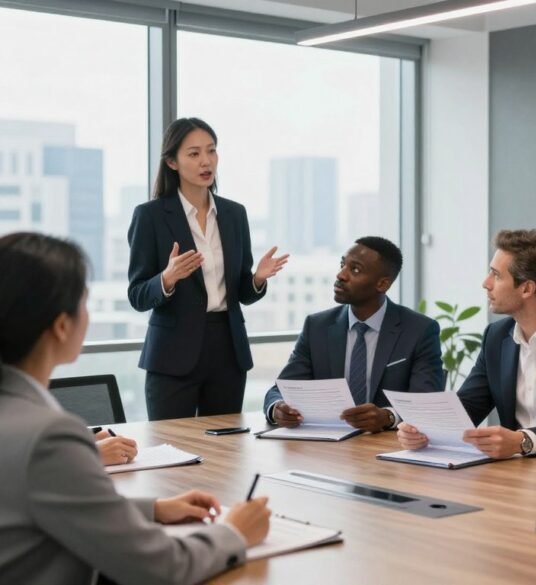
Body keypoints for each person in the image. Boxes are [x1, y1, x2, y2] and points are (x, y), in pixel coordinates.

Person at [0, 232, 271, 584]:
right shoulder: (49, 437)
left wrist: (153, 509)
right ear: (62, 325)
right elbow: (159, 568)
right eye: (84, 302)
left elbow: (33, 505)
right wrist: (234, 532)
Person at [397, 229, 536, 458]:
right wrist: (423, 430)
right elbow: (467, 407)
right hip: (514, 472)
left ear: (527, 288)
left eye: (496, 275)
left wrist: (523, 441)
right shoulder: (496, 336)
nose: (486, 283)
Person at [128, 118, 288, 420]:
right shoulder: (150, 216)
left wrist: (256, 279)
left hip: (227, 349)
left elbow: (242, 291)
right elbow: (137, 295)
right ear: (172, 162)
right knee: (171, 448)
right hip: (172, 355)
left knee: (225, 450)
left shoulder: (234, 214)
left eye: (211, 151)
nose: (206, 161)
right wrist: (167, 278)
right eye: (194, 154)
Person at [263, 237, 444, 432]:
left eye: (355, 269)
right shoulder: (317, 327)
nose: (341, 275)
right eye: (342, 265)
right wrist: (278, 409)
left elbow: (426, 402)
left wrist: (388, 416)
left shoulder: (419, 330)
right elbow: (280, 390)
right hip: (327, 447)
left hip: (387, 446)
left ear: (382, 284)